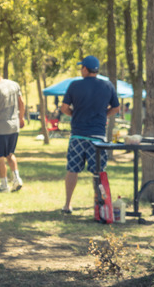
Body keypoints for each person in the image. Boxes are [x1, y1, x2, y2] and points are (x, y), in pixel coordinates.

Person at [59, 55, 120, 214]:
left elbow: (64, 108)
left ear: (85, 69)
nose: (81, 70)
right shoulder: (107, 86)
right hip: (98, 138)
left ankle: (67, 204)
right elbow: (116, 108)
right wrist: (103, 115)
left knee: (72, 170)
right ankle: (100, 205)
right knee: (98, 172)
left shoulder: (75, 85)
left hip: (78, 136)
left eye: (81, 68)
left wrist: (75, 114)